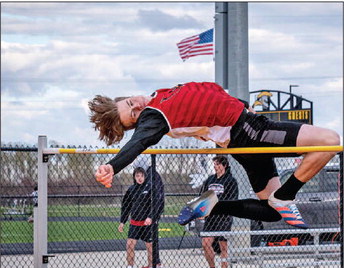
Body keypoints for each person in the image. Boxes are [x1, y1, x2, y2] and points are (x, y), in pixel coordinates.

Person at [88, 81, 340, 229]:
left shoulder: (162, 95)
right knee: (329, 141)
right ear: (139, 120)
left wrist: (240, 101)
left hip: (240, 141)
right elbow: (139, 142)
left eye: (131, 102)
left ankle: (211, 205)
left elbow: (208, 96)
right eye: (133, 114)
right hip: (249, 131)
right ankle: (286, 196)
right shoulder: (153, 115)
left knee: (271, 212)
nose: (138, 106)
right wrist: (113, 165)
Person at [118, 167, 163, 268]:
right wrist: (122, 221)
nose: (140, 178)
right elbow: (126, 206)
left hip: (147, 224)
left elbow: (156, 203)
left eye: (141, 176)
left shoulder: (150, 188)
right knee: (129, 245)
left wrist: (151, 217)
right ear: (134, 177)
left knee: (150, 247)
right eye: (137, 176)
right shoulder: (131, 189)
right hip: (134, 223)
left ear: (145, 176)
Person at [200, 156, 238, 268]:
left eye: (217, 164)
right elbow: (203, 196)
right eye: (214, 164)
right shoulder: (210, 180)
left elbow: (232, 199)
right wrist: (202, 210)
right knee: (205, 243)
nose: (215, 166)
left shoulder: (230, 181)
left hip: (223, 217)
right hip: (211, 217)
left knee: (223, 246)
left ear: (224, 165)